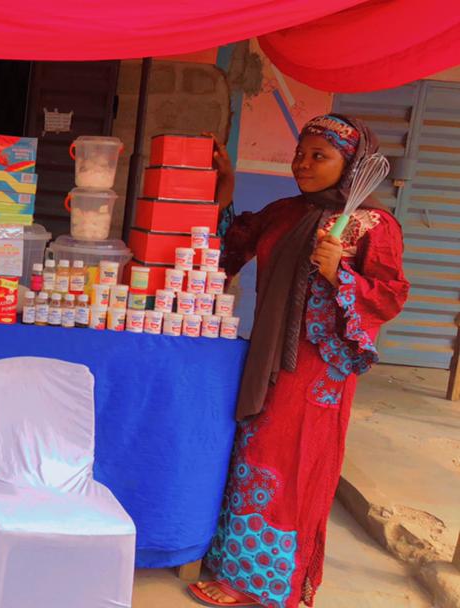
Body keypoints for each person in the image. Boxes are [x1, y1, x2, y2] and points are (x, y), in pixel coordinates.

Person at [189, 115, 410, 607]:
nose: (302, 164)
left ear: (350, 164)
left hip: (319, 372)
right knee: (253, 455)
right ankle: (234, 564)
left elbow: (391, 296)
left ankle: (267, 586)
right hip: (268, 357)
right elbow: (231, 247)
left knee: (291, 466)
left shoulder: (374, 225)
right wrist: (224, 188)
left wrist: (340, 275)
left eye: (319, 156)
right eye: (300, 153)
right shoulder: (285, 211)